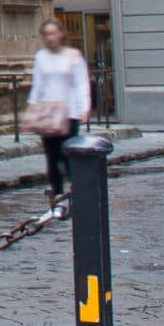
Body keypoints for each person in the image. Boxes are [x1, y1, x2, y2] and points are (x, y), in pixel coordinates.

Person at [30, 18, 93, 206]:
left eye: (53, 33)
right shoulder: (41, 57)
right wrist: (32, 106)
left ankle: (76, 187)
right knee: (51, 154)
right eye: (46, 34)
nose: (50, 37)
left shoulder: (73, 56)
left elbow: (82, 83)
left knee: (67, 152)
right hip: (48, 112)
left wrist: (85, 108)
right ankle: (57, 191)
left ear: (61, 34)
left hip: (69, 112)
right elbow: (38, 84)